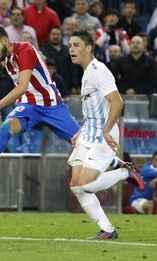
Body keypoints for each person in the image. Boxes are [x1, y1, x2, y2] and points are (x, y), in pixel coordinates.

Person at [0, 25, 129, 177]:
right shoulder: (7, 59)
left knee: (82, 144)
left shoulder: (24, 50)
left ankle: (121, 167)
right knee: (7, 125)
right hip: (29, 106)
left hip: (52, 105)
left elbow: (22, 87)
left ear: (5, 40)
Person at [67, 30, 144, 239]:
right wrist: (81, 131)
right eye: (70, 46)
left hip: (104, 133)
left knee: (86, 184)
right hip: (89, 132)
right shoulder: (86, 73)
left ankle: (125, 172)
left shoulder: (99, 70)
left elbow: (118, 102)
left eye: (75, 45)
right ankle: (107, 230)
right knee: (76, 186)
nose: (71, 49)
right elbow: (94, 110)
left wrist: (107, 129)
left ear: (89, 47)